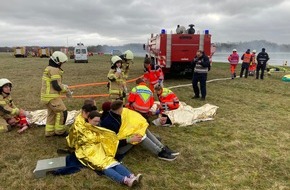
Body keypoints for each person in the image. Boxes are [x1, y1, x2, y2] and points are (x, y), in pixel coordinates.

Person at [74, 110, 142, 187]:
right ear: (89, 119)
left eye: (98, 121)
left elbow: (111, 139)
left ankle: (131, 176)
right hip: (88, 152)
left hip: (101, 149)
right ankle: (125, 180)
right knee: (103, 165)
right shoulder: (83, 128)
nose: (96, 123)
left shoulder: (99, 129)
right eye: (95, 121)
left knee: (112, 161)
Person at [101, 100, 178, 161]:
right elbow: (112, 142)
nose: (123, 109)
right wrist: (129, 140)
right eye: (122, 108)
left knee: (143, 129)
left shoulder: (117, 115)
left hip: (125, 137)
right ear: (118, 110)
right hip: (118, 148)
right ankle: (159, 153)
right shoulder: (108, 123)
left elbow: (126, 127)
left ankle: (162, 148)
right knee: (140, 137)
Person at [40, 51, 72, 137]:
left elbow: (53, 83)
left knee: (52, 114)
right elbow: (56, 86)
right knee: (62, 112)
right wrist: (66, 90)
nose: (62, 65)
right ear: (58, 62)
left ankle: (49, 132)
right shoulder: (54, 70)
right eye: (62, 63)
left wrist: (63, 86)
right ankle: (60, 131)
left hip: (46, 97)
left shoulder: (49, 68)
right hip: (52, 96)